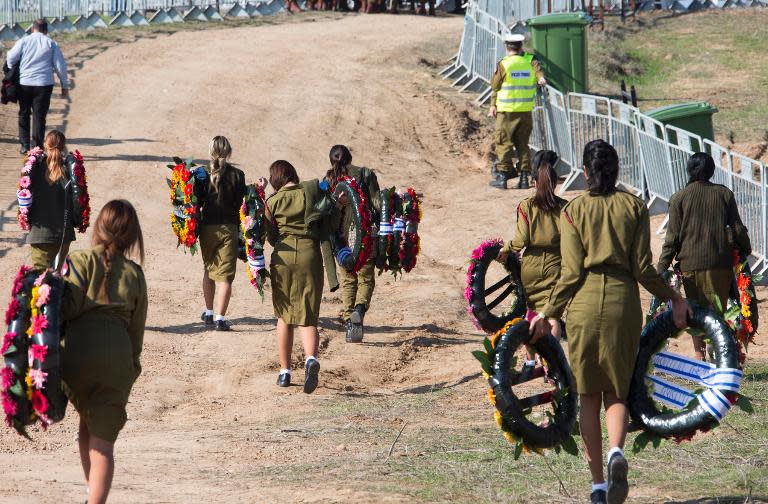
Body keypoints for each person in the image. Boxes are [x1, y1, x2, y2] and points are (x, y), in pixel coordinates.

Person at [529, 140, 689, 504]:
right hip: (623, 303)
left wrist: (548, 312)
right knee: (617, 390)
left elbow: (569, 274)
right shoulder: (634, 207)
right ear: (617, 172)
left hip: (584, 305)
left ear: (585, 173)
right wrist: (674, 298)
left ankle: (599, 486)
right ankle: (617, 451)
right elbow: (644, 269)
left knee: (588, 394)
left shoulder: (574, 211)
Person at [60, 200, 147, 504]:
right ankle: (95, 499)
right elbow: (136, 331)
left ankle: (90, 494)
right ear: (133, 236)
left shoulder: (79, 260)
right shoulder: (136, 274)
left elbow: (65, 310)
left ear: (98, 226)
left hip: (77, 356)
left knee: (87, 421)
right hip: (117, 360)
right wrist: (131, 367)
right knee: (104, 444)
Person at [657, 152, 752, 361]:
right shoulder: (724, 194)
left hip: (690, 264)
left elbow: (672, 239)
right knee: (717, 311)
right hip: (719, 262)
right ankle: (719, 353)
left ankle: (699, 356)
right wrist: (746, 248)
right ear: (711, 171)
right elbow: (736, 228)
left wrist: (661, 269)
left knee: (695, 312)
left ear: (690, 170)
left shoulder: (678, 198)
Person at [260, 160, 339, 393]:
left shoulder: (271, 202)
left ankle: (284, 373)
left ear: (275, 180)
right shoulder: (310, 192)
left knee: (284, 315)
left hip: (283, 256)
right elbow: (329, 222)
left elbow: (270, 237)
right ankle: (310, 359)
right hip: (310, 254)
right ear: (294, 174)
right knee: (308, 314)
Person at [497, 150, 566, 375]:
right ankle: (553, 364)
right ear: (555, 183)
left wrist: (506, 250)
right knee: (553, 316)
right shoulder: (566, 207)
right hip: (556, 265)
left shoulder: (526, 205)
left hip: (531, 266)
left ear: (534, 182)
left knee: (531, 313)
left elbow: (521, 240)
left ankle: (529, 360)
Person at [325, 145, 381, 343]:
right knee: (366, 280)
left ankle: (350, 323)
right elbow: (377, 204)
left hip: (341, 238)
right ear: (350, 157)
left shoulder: (328, 180)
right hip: (366, 236)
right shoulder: (365, 174)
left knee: (349, 280)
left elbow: (326, 210)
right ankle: (359, 310)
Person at [197, 136, 246, 332]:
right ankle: (220, 318)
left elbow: (196, 202)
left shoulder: (201, 174)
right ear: (229, 151)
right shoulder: (238, 175)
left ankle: (209, 312)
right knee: (225, 276)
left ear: (210, 151)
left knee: (208, 269)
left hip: (207, 227)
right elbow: (242, 202)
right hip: (228, 228)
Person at [488, 33, 546, 190]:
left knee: (504, 142)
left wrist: (493, 105)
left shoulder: (504, 64)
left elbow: (494, 86)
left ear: (507, 47)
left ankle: (503, 177)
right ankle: (524, 178)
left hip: (506, 111)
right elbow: (539, 75)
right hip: (525, 110)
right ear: (521, 47)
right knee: (522, 144)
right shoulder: (529, 63)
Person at [5, 18, 69, 154]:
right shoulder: (51, 43)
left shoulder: (23, 41)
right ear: (46, 30)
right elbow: (60, 66)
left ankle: (24, 145)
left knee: (24, 113)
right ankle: (37, 148)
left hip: (25, 83)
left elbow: (10, 58)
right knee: (39, 116)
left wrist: (14, 71)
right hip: (44, 85)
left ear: (32, 29)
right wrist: (64, 85)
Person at [25, 129, 76, 270]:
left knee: (40, 283)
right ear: (64, 146)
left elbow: (24, 197)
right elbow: (77, 201)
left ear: (45, 145)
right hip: (63, 234)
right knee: (56, 277)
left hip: (39, 234)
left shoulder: (34, 168)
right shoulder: (71, 170)